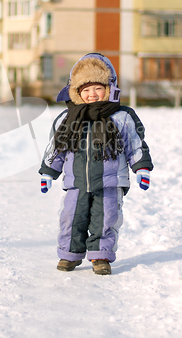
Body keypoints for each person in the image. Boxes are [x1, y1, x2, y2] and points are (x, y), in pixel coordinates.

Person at [39, 53, 153, 275]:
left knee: (106, 218)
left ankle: (100, 256)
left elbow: (135, 143)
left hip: (110, 182)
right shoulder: (68, 118)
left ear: (110, 88)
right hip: (77, 182)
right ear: (76, 92)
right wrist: (48, 172)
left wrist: (142, 168)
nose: (92, 94)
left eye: (97, 88)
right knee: (71, 218)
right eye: (86, 89)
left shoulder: (122, 116)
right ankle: (69, 255)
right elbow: (56, 147)